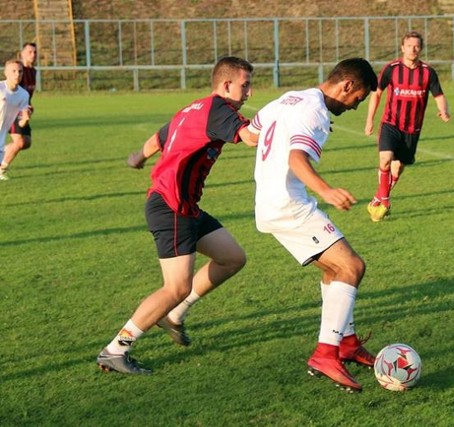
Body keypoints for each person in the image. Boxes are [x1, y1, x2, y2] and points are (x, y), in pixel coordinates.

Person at [97, 56, 258, 375]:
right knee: (175, 287)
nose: (249, 92)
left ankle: (174, 315)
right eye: (246, 84)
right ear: (226, 85)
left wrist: (137, 159)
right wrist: (289, 119)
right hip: (171, 207)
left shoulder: (192, 108)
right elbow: (251, 137)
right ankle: (116, 349)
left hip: (184, 207)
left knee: (232, 258)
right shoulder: (220, 110)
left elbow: (155, 141)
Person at [248, 58, 378, 393]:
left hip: (267, 203)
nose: (354, 107)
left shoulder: (289, 98)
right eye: (358, 99)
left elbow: (250, 134)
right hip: (290, 205)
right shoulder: (316, 112)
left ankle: (346, 343)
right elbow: (296, 158)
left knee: (334, 270)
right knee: (352, 266)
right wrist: (327, 190)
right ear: (346, 85)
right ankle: (325, 353)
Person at [364, 31, 451, 222]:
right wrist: (370, 119)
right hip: (390, 123)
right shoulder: (391, 69)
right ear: (402, 48)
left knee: (397, 169)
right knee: (385, 159)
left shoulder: (428, 72)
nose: (413, 49)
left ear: (421, 49)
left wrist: (444, 110)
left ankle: (377, 199)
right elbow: (377, 93)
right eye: (409, 45)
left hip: (412, 129)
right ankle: (385, 201)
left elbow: (439, 96)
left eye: (417, 46)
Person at [1, 43, 38, 180]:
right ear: (21, 54)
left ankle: (2, 151)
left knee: (26, 142)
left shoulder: (33, 71)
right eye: (29, 52)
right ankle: (2, 168)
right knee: (20, 142)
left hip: (22, 111)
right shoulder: (17, 70)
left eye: (35, 52)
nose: (33, 55)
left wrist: (28, 107)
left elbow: (24, 95)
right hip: (12, 112)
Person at [0, 59, 30, 178]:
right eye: (13, 71)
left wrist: (26, 119)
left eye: (20, 71)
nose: (17, 74)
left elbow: (21, 124)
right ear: (6, 73)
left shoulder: (24, 95)